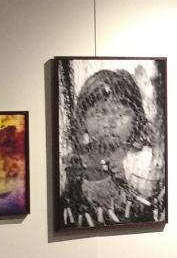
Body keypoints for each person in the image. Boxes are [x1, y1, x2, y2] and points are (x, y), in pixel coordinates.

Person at [61, 67, 164, 227]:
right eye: (99, 114)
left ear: (137, 119)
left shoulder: (143, 162)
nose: (110, 122)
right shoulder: (72, 162)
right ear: (83, 120)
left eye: (121, 114)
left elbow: (152, 206)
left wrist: (125, 180)